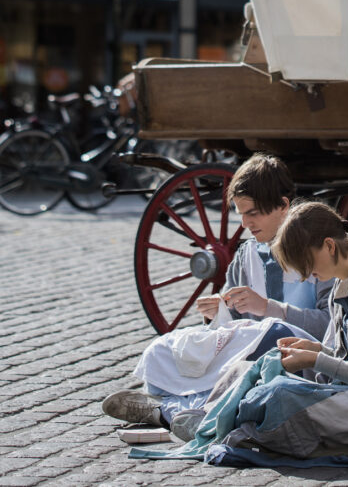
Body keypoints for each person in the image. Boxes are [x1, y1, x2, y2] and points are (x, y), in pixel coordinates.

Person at [101, 154, 332, 440]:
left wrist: (270, 308)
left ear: (284, 206)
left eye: (254, 213)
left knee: (272, 334)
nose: (246, 223)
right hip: (250, 345)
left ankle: (174, 412)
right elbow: (235, 323)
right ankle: (177, 411)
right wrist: (221, 310)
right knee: (163, 348)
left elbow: (333, 326)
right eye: (241, 214)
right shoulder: (247, 255)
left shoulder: (318, 252)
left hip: (296, 351)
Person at [196, 200, 348, 459]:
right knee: (252, 367)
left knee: (279, 397)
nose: (306, 276)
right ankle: (210, 421)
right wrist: (316, 350)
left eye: (306, 263)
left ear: (329, 246)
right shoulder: (342, 281)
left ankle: (225, 425)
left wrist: (317, 360)